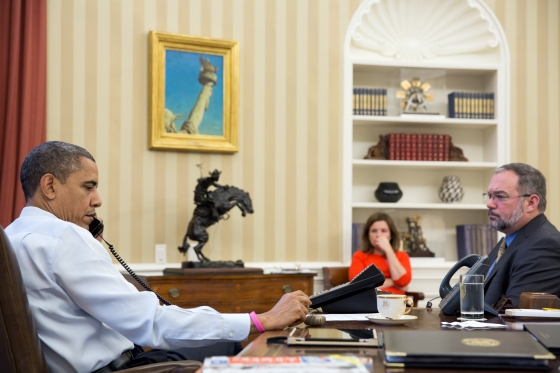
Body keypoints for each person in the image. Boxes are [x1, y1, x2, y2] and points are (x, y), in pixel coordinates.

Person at [5, 141, 311, 373]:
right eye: (88, 187)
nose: (97, 200)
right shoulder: (64, 239)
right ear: (49, 186)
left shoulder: (14, 237)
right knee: (231, 342)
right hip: (117, 368)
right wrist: (262, 319)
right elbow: (152, 322)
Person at [483, 163, 560, 308]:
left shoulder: (545, 246)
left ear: (531, 203)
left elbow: (513, 316)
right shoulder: (510, 239)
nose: (489, 204)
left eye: (500, 196)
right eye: (489, 196)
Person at [348, 212, 411, 294]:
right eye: (374, 231)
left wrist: (388, 250)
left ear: (391, 235)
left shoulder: (402, 256)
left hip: (396, 302)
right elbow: (357, 286)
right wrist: (393, 282)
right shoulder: (359, 255)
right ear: (368, 235)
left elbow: (403, 281)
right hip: (370, 302)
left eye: (383, 231)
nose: (378, 235)